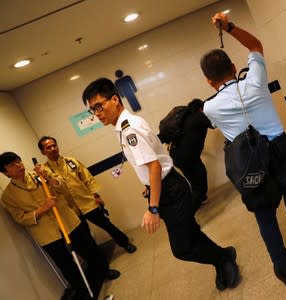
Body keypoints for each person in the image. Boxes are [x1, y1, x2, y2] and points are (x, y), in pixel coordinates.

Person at [81, 78, 240, 291]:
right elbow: (152, 165)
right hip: (166, 187)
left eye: (99, 106)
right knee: (190, 233)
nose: (97, 113)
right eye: (93, 110)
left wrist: (153, 208)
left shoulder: (129, 130)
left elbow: (155, 167)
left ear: (115, 100)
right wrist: (148, 186)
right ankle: (223, 256)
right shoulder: (126, 126)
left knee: (181, 248)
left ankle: (221, 258)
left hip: (170, 190)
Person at [200, 12, 286, 287]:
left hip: (251, 164)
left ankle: (282, 266)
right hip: (280, 148)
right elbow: (256, 45)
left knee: (265, 215)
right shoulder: (255, 80)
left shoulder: (209, 107)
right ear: (234, 65)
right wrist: (228, 27)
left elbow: (219, 127)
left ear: (208, 81)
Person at [0, 152, 120, 300]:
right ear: (5, 173)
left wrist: (48, 177)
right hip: (47, 234)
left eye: (18, 161)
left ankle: (103, 271)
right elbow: (20, 218)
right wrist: (42, 209)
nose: (18, 165)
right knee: (66, 266)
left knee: (89, 248)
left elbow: (63, 187)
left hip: (67, 220)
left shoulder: (40, 174)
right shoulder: (8, 196)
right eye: (12, 164)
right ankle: (84, 292)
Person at [37, 136, 137, 254]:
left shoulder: (71, 161)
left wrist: (96, 196)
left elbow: (88, 179)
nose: (53, 148)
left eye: (54, 145)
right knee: (85, 237)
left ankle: (125, 243)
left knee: (107, 225)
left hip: (87, 202)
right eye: (49, 147)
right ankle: (100, 261)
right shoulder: (45, 171)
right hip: (71, 210)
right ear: (43, 152)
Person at [167, 99, 213, 211]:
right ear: (201, 108)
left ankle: (199, 199)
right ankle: (189, 213)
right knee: (199, 187)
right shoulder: (198, 116)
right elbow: (214, 124)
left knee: (197, 178)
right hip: (187, 158)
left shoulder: (185, 118)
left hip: (178, 156)